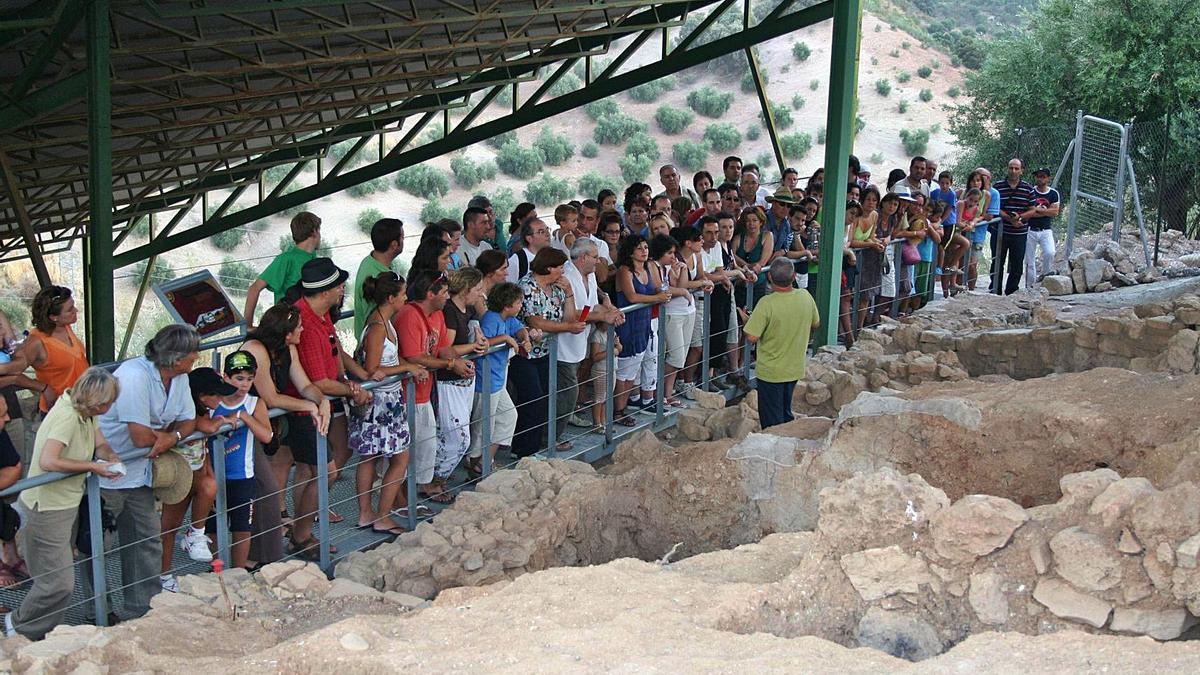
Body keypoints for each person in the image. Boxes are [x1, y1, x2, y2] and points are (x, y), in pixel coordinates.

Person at [7, 368, 121, 640]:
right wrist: (94, 466)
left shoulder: (83, 410)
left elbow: (100, 442)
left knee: (56, 579)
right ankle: (21, 626)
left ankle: (42, 632)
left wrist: (110, 457)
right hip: (47, 507)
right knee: (58, 583)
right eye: (107, 403)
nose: (109, 408)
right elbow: (49, 461)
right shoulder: (67, 417)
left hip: (66, 502)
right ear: (96, 401)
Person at [96, 325, 200, 619]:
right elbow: (139, 436)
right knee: (97, 546)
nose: (196, 357)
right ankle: (98, 611)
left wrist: (172, 438)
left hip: (140, 470)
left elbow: (188, 421)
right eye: (192, 353)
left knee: (146, 540)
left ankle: (143, 609)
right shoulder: (134, 376)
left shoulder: (179, 378)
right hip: (107, 473)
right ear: (175, 356)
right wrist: (167, 436)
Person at [289, 257, 371, 558]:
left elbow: (335, 350)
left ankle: (302, 525)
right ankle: (301, 534)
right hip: (305, 408)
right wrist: (353, 389)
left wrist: (358, 377)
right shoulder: (307, 323)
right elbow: (318, 382)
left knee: (312, 471)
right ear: (325, 291)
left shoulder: (320, 316)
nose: (342, 291)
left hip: (317, 404)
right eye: (339, 286)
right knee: (326, 472)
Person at [240, 304, 331, 562]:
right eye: (299, 326)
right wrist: (309, 406)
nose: (303, 329)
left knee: (265, 489)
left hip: (266, 426)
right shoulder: (256, 350)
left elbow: (304, 385)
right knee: (260, 491)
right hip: (246, 428)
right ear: (287, 333)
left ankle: (260, 555)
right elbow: (271, 397)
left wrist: (320, 399)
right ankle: (249, 558)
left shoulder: (287, 348)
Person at [351, 272, 426, 534]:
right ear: (391, 297)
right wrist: (407, 366)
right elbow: (372, 367)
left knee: (370, 456)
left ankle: (367, 513)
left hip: (385, 399)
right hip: (382, 402)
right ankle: (380, 514)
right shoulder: (379, 327)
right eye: (403, 293)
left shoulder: (383, 322)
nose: (406, 297)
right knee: (399, 457)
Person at [396, 271, 473, 503]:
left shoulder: (437, 314)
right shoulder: (410, 315)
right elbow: (415, 356)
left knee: (425, 447)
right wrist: (451, 364)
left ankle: (412, 500)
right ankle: (404, 503)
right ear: (430, 294)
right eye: (445, 292)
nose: (448, 297)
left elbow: (442, 348)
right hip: (407, 393)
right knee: (407, 453)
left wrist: (458, 361)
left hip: (424, 391)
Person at [511, 248, 586, 455]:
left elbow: (569, 317)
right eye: (560, 268)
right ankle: (523, 448)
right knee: (532, 398)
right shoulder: (527, 287)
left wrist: (569, 292)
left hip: (545, 352)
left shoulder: (557, 287)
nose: (563, 272)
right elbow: (536, 321)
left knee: (544, 398)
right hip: (525, 353)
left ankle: (533, 446)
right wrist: (568, 328)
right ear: (548, 267)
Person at [205, 351, 273, 569]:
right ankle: (216, 567)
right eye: (239, 379)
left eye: (249, 379)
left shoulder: (254, 403)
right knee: (213, 525)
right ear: (226, 377)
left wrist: (244, 417)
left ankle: (238, 569)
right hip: (213, 474)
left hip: (242, 474)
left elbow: (267, 435)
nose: (244, 385)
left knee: (242, 525)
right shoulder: (214, 402)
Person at [744, 259, 820, 430]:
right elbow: (816, 323)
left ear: (769, 276)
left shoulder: (766, 303)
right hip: (794, 368)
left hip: (771, 372)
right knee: (785, 413)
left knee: (772, 421)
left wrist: (747, 320)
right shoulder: (805, 296)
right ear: (793, 276)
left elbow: (751, 336)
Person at [557, 239, 619, 445]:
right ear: (583, 257)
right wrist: (603, 316)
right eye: (595, 257)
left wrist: (610, 312)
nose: (599, 261)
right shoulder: (566, 276)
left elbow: (591, 307)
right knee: (566, 392)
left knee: (571, 389)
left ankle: (557, 434)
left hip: (580, 343)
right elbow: (571, 313)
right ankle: (552, 438)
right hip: (563, 346)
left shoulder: (589, 276)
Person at [467, 283, 531, 475]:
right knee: (482, 425)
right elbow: (483, 343)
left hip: (497, 380)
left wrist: (525, 338)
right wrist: (505, 338)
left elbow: (519, 328)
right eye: (518, 302)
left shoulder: (507, 318)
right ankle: (476, 464)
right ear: (507, 304)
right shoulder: (491, 319)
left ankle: (484, 460)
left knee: (508, 417)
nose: (521, 305)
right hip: (485, 381)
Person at [433, 268, 487, 482]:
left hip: (463, 380)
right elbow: (447, 348)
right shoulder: (451, 312)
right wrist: (473, 345)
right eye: (477, 290)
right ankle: (436, 480)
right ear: (466, 290)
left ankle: (439, 478)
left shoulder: (466, 311)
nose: (481, 294)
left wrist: (477, 342)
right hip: (449, 382)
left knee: (458, 435)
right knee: (458, 437)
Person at [0, 285, 89, 415]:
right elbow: (14, 372)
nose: (75, 310)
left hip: (83, 405)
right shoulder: (36, 342)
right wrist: (43, 388)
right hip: (60, 411)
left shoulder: (65, 326)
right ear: (54, 317)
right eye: (70, 310)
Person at [613, 235, 671, 425]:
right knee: (624, 370)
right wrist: (657, 299)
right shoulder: (624, 270)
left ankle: (623, 407)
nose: (644, 251)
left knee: (633, 369)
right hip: (628, 325)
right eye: (639, 248)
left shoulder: (647, 267)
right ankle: (618, 410)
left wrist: (663, 293)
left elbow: (656, 289)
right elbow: (631, 296)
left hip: (643, 323)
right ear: (630, 251)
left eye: (646, 247)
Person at [244, 211, 321, 329]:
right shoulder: (286, 259)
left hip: (309, 325)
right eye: (319, 230)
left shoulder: (312, 257)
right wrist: (248, 327)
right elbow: (254, 288)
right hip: (289, 328)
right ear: (314, 232)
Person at [656, 232, 707, 406]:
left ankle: (667, 394)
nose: (673, 256)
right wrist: (684, 292)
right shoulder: (656, 266)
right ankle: (658, 391)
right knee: (676, 357)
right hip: (673, 314)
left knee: (681, 357)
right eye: (669, 253)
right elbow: (670, 289)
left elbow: (681, 283)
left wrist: (683, 269)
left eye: (673, 253)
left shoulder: (673, 265)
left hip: (688, 311)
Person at [353, 217, 405, 337]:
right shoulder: (380, 277)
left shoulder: (368, 261)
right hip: (376, 345)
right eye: (402, 237)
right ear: (394, 245)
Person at [993, 158, 1037, 294]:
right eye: (1011, 168)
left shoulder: (1028, 189)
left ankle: (1012, 291)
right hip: (1000, 231)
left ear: (1022, 171)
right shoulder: (998, 187)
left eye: (1016, 168)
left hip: (1019, 232)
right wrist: (1008, 218)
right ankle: (995, 290)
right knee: (997, 262)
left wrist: (1021, 217)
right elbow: (993, 208)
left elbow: (1033, 209)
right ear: (1007, 169)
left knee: (1017, 264)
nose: (1013, 171)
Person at [1023, 168, 1061, 288]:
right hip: (1030, 229)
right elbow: (1029, 212)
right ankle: (1030, 287)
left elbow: (1054, 212)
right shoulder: (1031, 192)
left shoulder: (1053, 194)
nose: (1040, 179)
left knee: (1050, 252)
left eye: (1043, 176)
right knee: (1029, 261)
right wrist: (1044, 211)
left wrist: (1037, 209)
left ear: (1048, 178)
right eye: (1038, 176)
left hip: (1046, 230)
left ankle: (1045, 277)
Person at [732, 205, 773, 309]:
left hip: (758, 283)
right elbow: (731, 256)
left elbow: (762, 262)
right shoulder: (738, 238)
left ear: (761, 222)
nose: (751, 224)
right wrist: (747, 265)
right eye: (748, 221)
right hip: (740, 284)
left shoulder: (767, 236)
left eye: (755, 220)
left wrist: (751, 267)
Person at [506, 217, 550, 283]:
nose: (547, 234)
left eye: (547, 230)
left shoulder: (552, 255)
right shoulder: (518, 261)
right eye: (541, 232)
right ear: (529, 238)